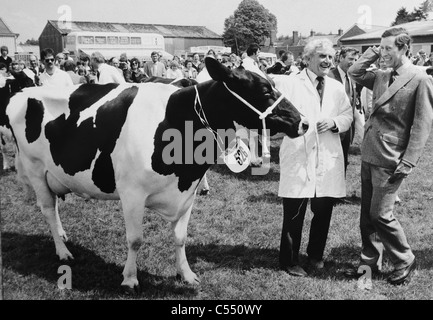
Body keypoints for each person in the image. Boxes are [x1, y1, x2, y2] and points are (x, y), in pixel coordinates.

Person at [346, 27, 433, 285]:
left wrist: (408, 161)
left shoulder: (420, 78)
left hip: (393, 157)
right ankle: (369, 263)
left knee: (381, 214)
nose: (383, 53)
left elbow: (422, 124)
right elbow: (354, 72)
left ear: (404, 48)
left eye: (388, 48)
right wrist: (374, 51)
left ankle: (404, 258)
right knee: (367, 216)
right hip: (370, 151)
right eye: (380, 47)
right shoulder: (381, 75)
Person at [277, 38, 353, 277]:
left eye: (330, 57)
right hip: (299, 154)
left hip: (327, 156)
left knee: (323, 211)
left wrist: (334, 122)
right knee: (294, 212)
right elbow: (277, 113)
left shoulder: (337, 87)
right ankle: (289, 260)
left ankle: (316, 255)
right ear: (307, 59)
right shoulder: (290, 84)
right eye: (322, 56)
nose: (327, 61)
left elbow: (348, 115)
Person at [328, 47, 362, 175]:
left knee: (344, 157)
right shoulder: (329, 76)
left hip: (347, 127)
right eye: (350, 59)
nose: (353, 62)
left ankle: (340, 186)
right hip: (332, 126)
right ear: (341, 58)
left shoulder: (352, 77)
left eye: (355, 60)